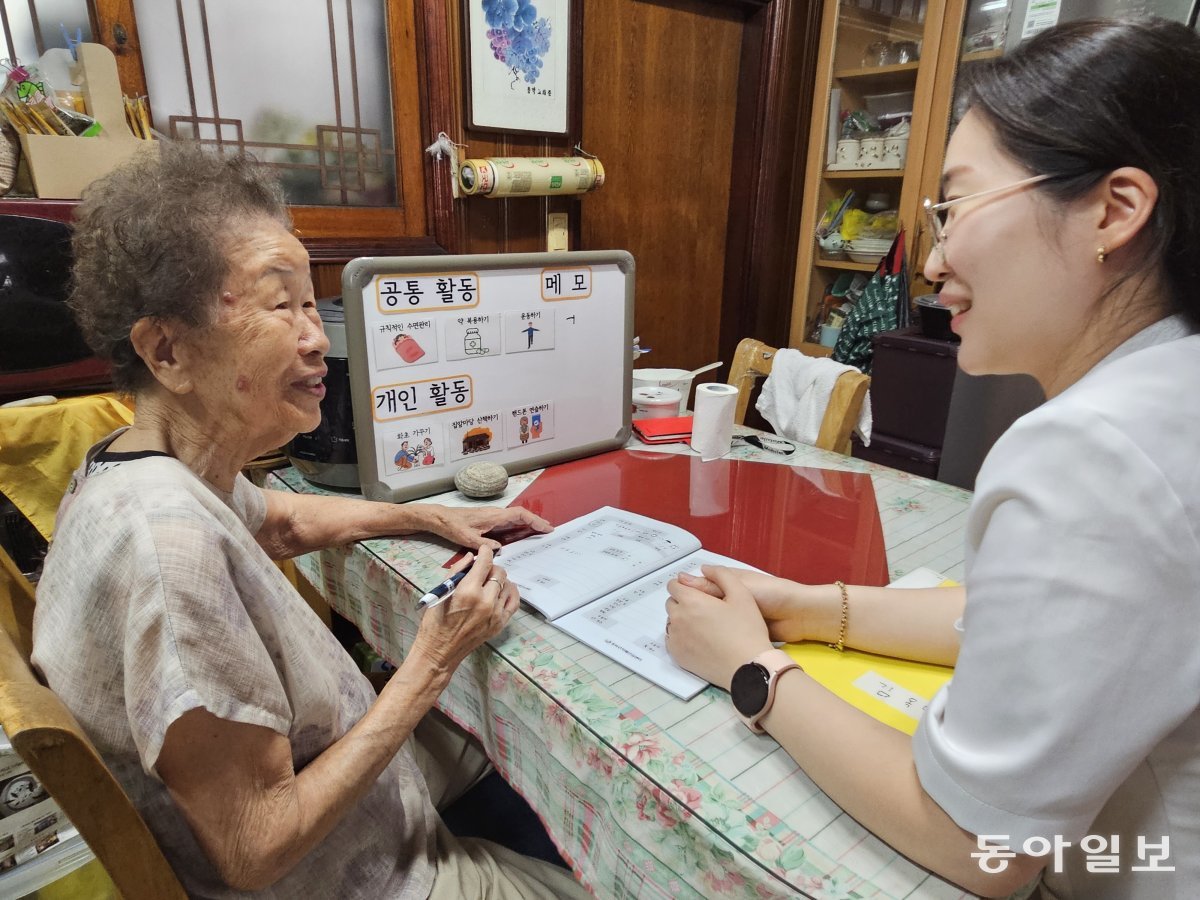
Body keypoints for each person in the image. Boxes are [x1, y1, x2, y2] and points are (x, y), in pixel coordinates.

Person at [665, 18, 1200, 900]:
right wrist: (805, 607)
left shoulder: (1092, 450)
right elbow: (1040, 632)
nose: (936, 261)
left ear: (1115, 211)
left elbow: (977, 845)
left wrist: (752, 670)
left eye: (955, 208)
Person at [31, 146, 590, 899]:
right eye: (279, 305)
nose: (318, 337)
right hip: (356, 873)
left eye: (310, 303)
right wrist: (430, 662)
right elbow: (255, 849)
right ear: (168, 349)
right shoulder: (167, 547)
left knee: (518, 736)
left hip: (349, 781)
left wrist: (422, 514)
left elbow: (285, 518)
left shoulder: (137, 463)